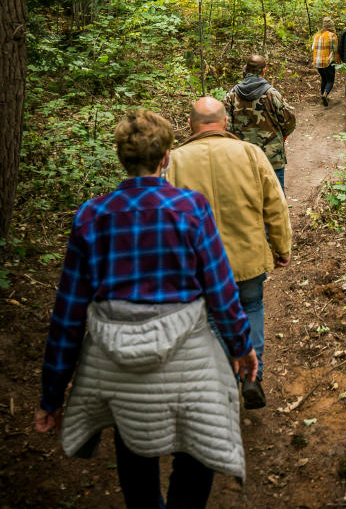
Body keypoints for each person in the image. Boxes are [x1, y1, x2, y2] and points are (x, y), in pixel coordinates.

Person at [34, 109, 257, 509]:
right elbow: (220, 290)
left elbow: (67, 315)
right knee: (197, 451)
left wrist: (51, 395)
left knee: (134, 444)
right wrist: (242, 346)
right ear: (166, 156)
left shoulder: (92, 216)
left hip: (117, 366)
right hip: (189, 363)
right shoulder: (190, 208)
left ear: (121, 157)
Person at [167, 96, 292, 411]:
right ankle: (252, 376)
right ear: (225, 123)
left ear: (191, 125)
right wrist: (281, 246)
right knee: (251, 307)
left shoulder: (174, 162)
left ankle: (220, 384)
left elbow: (164, 217)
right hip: (247, 256)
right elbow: (275, 205)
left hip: (199, 264)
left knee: (210, 319)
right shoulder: (251, 153)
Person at [223, 54, 296, 193]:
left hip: (243, 158)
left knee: (247, 199)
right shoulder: (272, 94)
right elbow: (289, 121)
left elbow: (226, 127)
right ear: (264, 71)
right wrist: (281, 136)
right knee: (276, 196)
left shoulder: (231, 95)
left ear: (245, 69)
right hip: (272, 156)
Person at [311, 16, 340, 107]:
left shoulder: (317, 35)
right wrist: (338, 61)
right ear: (331, 26)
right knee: (330, 80)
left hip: (318, 62)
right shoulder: (332, 36)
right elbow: (335, 51)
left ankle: (322, 95)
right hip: (328, 62)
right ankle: (325, 94)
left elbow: (313, 48)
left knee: (323, 79)